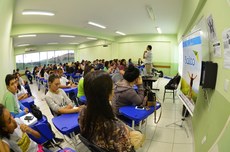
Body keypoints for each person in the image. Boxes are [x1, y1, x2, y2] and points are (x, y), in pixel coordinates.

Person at [78, 71, 143, 151]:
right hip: (114, 144)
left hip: (98, 144)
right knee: (138, 135)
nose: (114, 92)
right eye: (113, 89)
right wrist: (124, 130)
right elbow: (127, 149)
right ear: (107, 94)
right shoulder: (115, 128)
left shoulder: (82, 113)